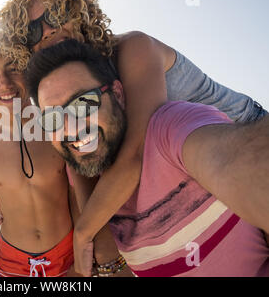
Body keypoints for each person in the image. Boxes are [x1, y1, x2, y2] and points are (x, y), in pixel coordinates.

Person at [0, 0, 268, 275]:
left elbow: (136, 152)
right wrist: (100, 239)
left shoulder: (132, 48)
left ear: (76, 11)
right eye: (34, 29)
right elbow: (79, 164)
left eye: (57, 15)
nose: (48, 30)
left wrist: (85, 232)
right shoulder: (65, 87)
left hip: (246, 132)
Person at [26, 39, 269, 277]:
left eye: (84, 103)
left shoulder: (169, 129)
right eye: (53, 118)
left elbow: (237, 161)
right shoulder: (82, 170)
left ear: (118, 94)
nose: (71, 128)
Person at [0, 33, 131, 277]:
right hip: (12, 262)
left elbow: (77, 191)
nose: (4, 82)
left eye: (14, 68)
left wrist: (82, 256)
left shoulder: (59, 128)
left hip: (69, 255)